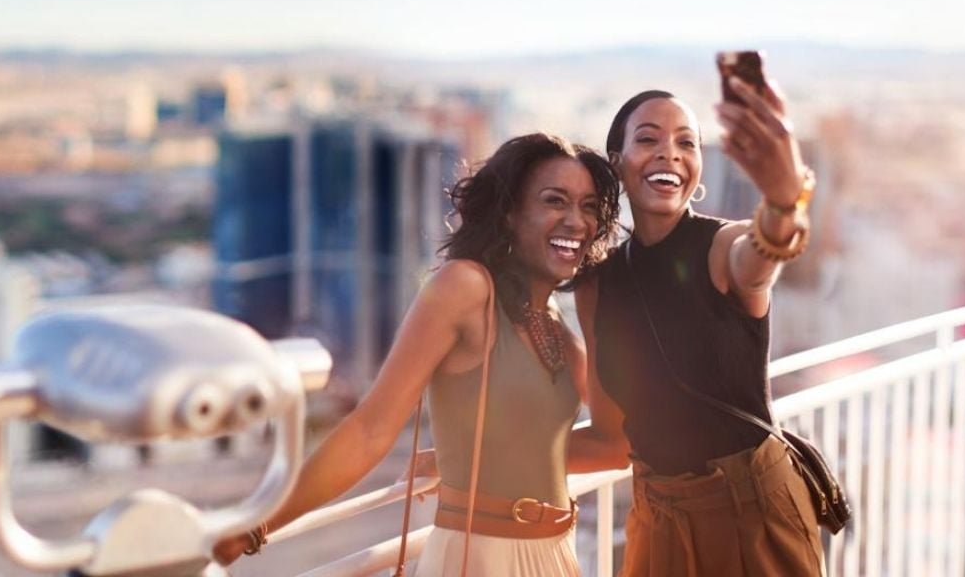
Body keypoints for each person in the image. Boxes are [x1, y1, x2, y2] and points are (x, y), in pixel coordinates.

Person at [215, 132, 622, 575]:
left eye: (588, 207)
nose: (576, 221)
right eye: (555, 201)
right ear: (509, 214)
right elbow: (370, 429)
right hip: (481, 558)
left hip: (556, 556)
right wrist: (255, 525)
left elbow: (615, 446)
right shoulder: (465, 287)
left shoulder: (557, 325)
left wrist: (594, 304)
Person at [568, 79, 824, 576]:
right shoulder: (598, 286)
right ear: (616, 162)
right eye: (648, 139)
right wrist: (476, 456)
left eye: (687, 142)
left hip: (752, 518)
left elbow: (766, 252)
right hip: (657, 523)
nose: (671, 153)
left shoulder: (723, 247)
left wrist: (783, 200)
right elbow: (611, 439)